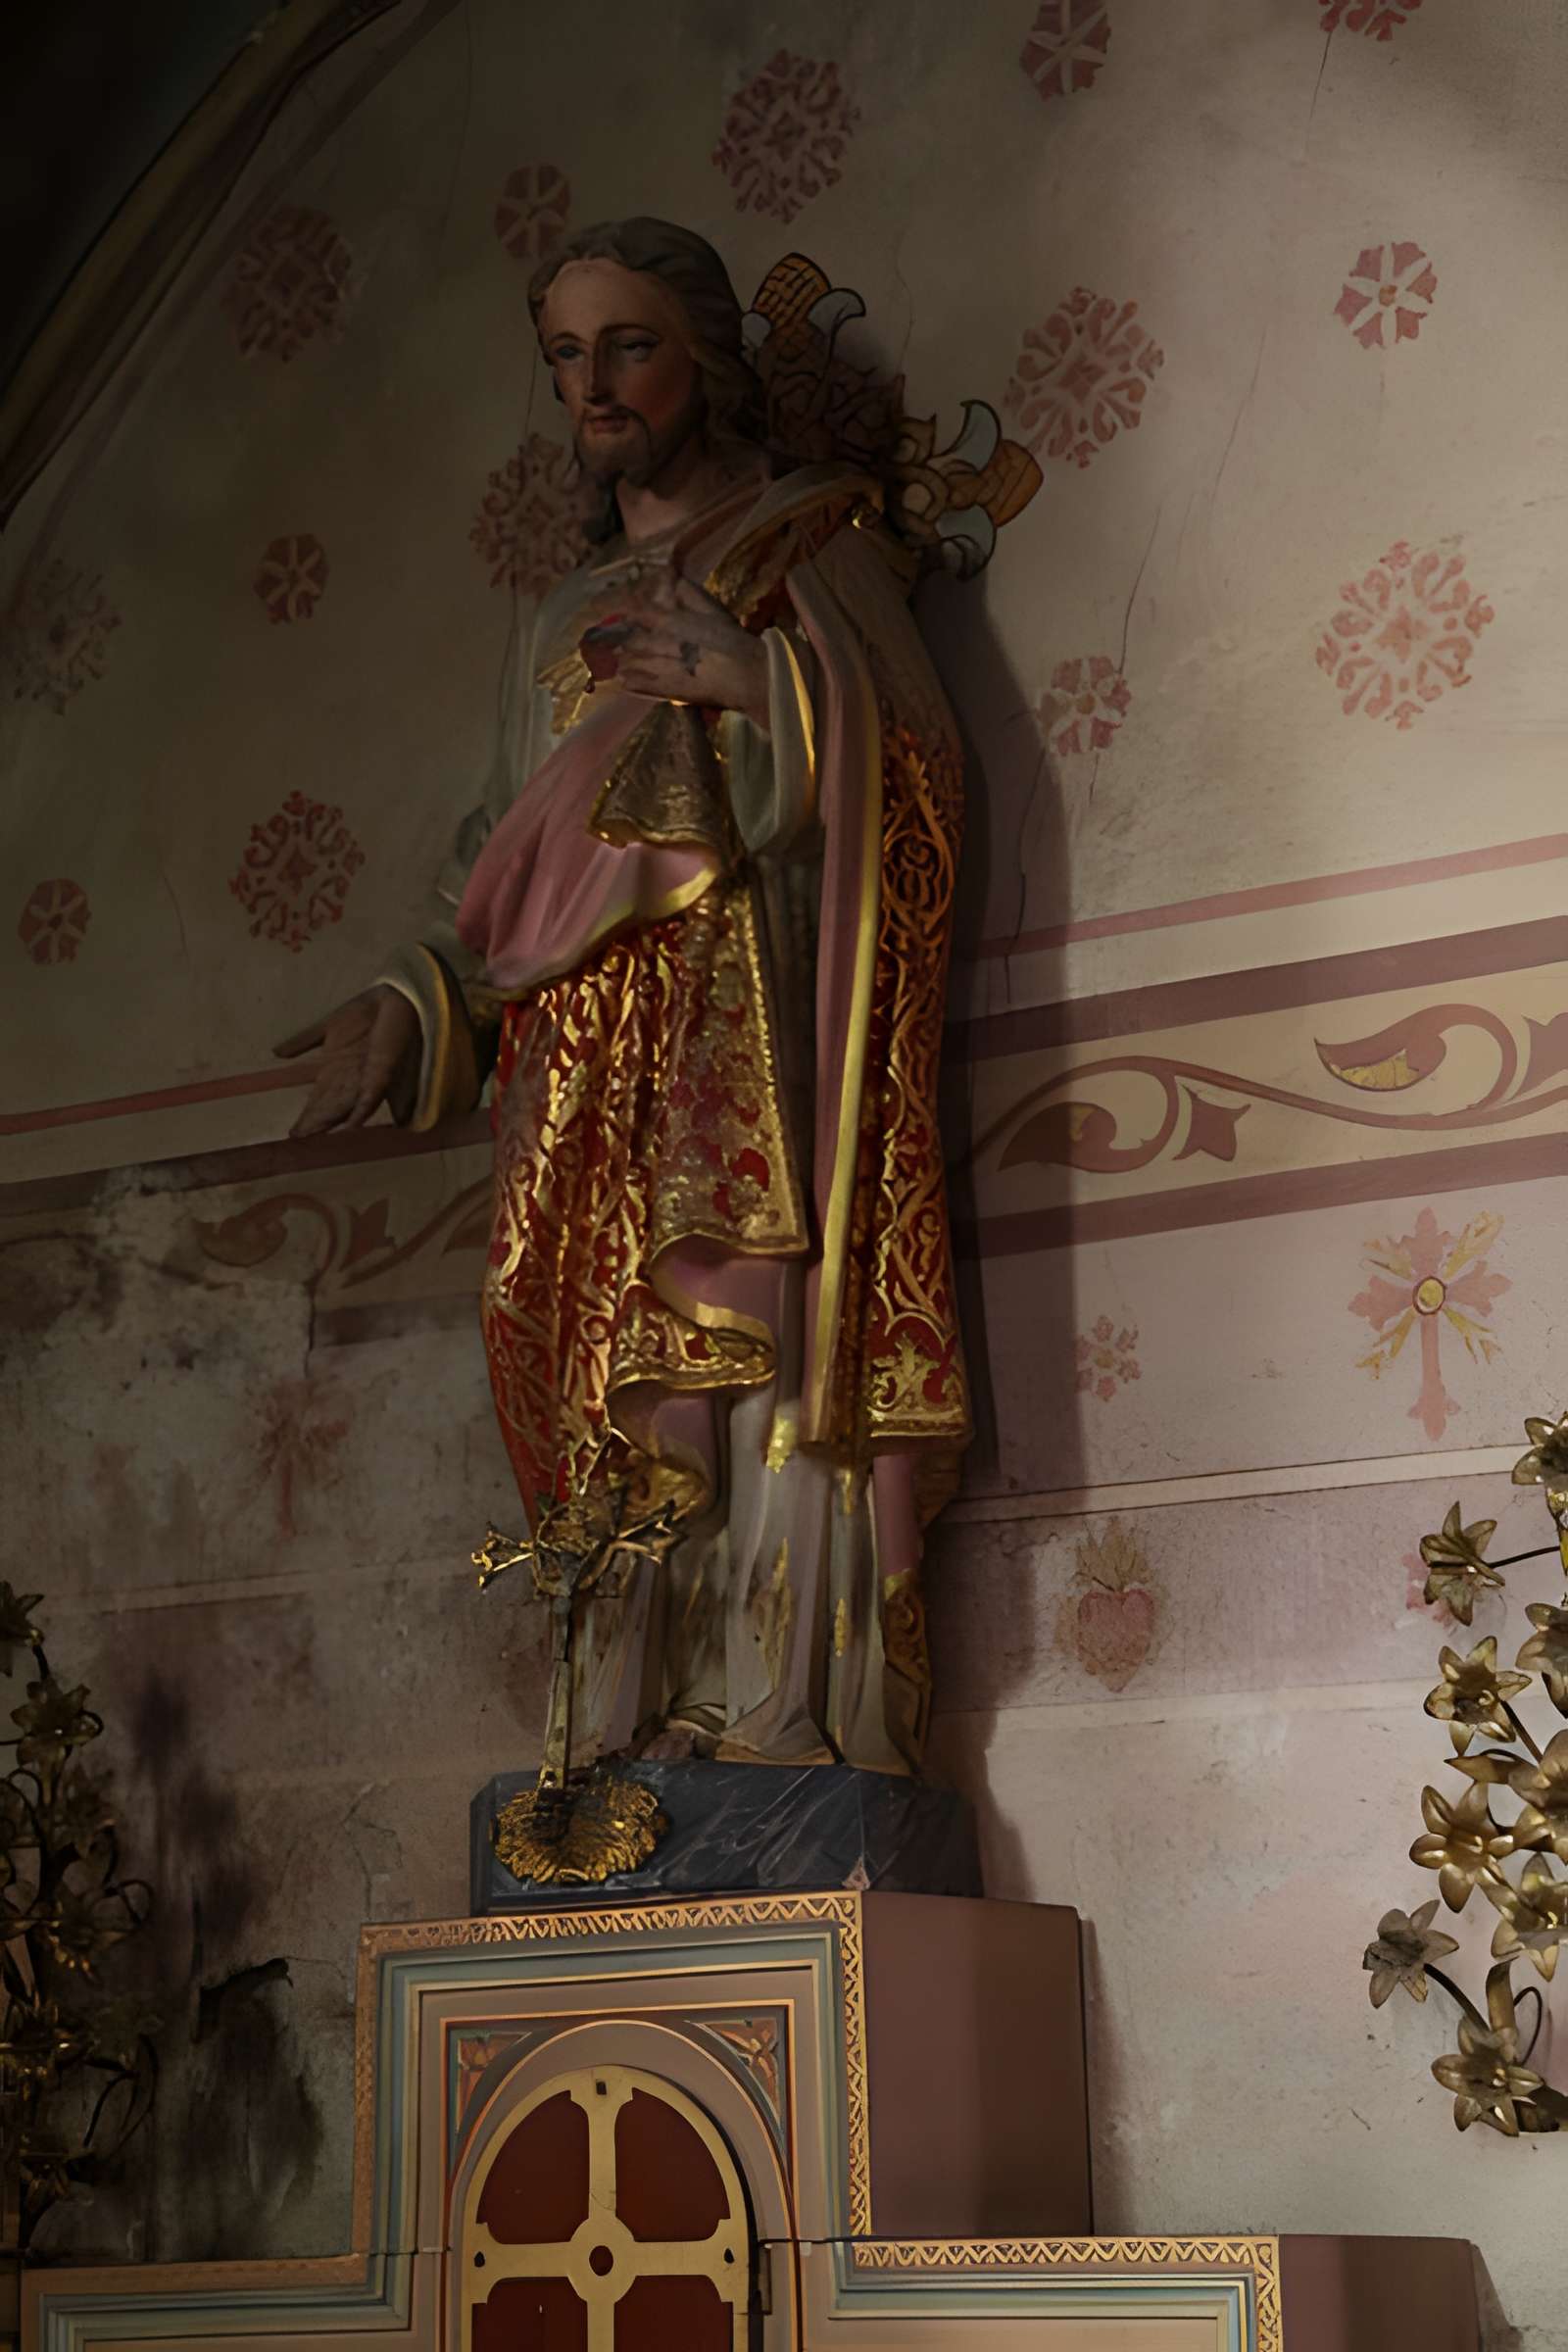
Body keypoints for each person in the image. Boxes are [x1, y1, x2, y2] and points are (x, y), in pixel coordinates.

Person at [278, 219, 968, 1773]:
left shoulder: (813, 555)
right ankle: (622, 1721)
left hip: (758, 1043)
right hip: (581, 1072)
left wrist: (763, 687)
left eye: (627, 346)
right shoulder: (561, 614)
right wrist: (411, 999)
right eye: (565, 358)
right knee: (600, 1363)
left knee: (751, 1350)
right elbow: (507, 857)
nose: (592, 386)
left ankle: (778, 1708)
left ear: (703, 359)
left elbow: (918, 774)